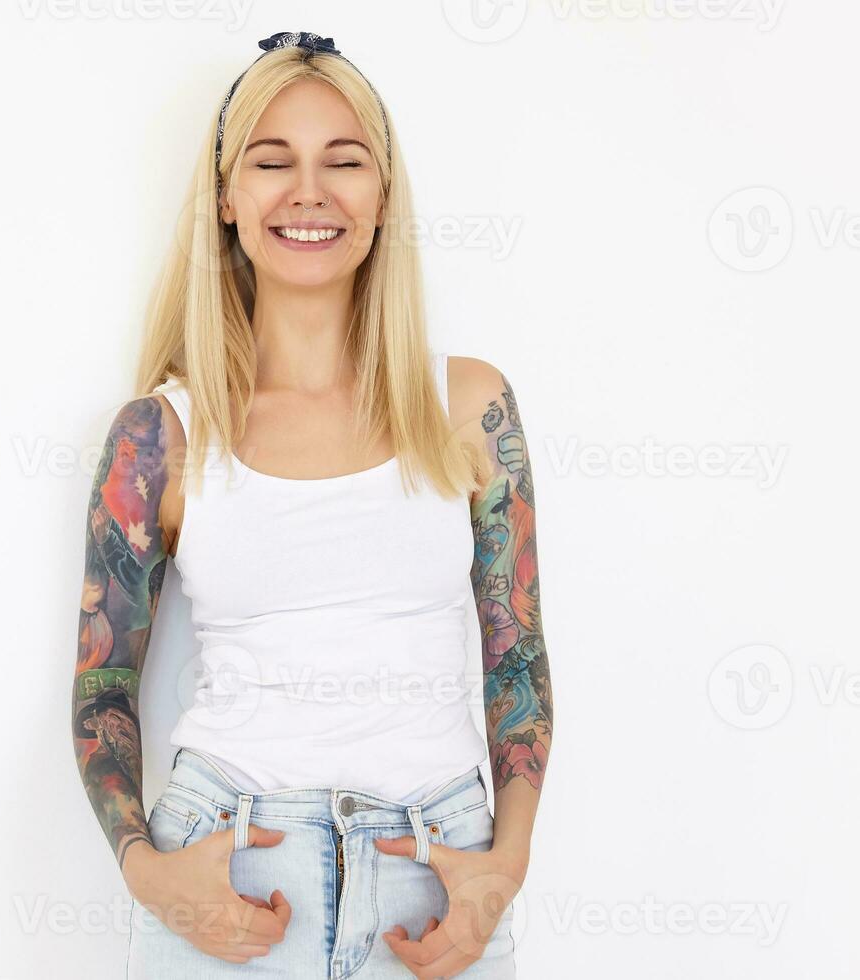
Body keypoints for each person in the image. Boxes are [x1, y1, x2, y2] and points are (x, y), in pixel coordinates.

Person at [71, 31, 553, 978]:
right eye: (270, 161)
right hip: (229, 875)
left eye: (344, 161)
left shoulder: (469, 407)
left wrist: (509, 862)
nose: (308, 192)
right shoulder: (158, 435)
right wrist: (145, 875)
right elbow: (101, 693)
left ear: (383, 195)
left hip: (438, 882)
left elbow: (519, 662)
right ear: (225, 197)